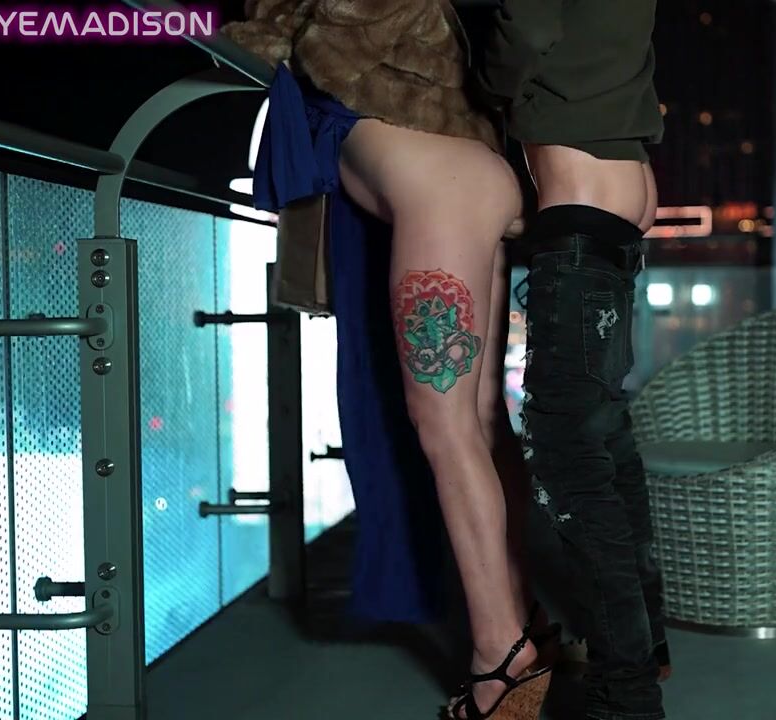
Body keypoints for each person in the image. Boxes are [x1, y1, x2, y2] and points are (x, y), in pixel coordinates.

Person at [224, 1, 552, 717]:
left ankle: (501, 659)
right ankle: (525, 618)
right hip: (474, 168)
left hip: (440, 191)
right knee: (482, 422)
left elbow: (266, 38)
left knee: (446, 428)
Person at [475, 1, 671, 718]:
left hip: (583, 218)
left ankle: (627, 695)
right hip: (612, 201)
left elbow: (525, 31)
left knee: (570, 459)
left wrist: (485, 84)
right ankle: (645, 649)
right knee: (604, 443)